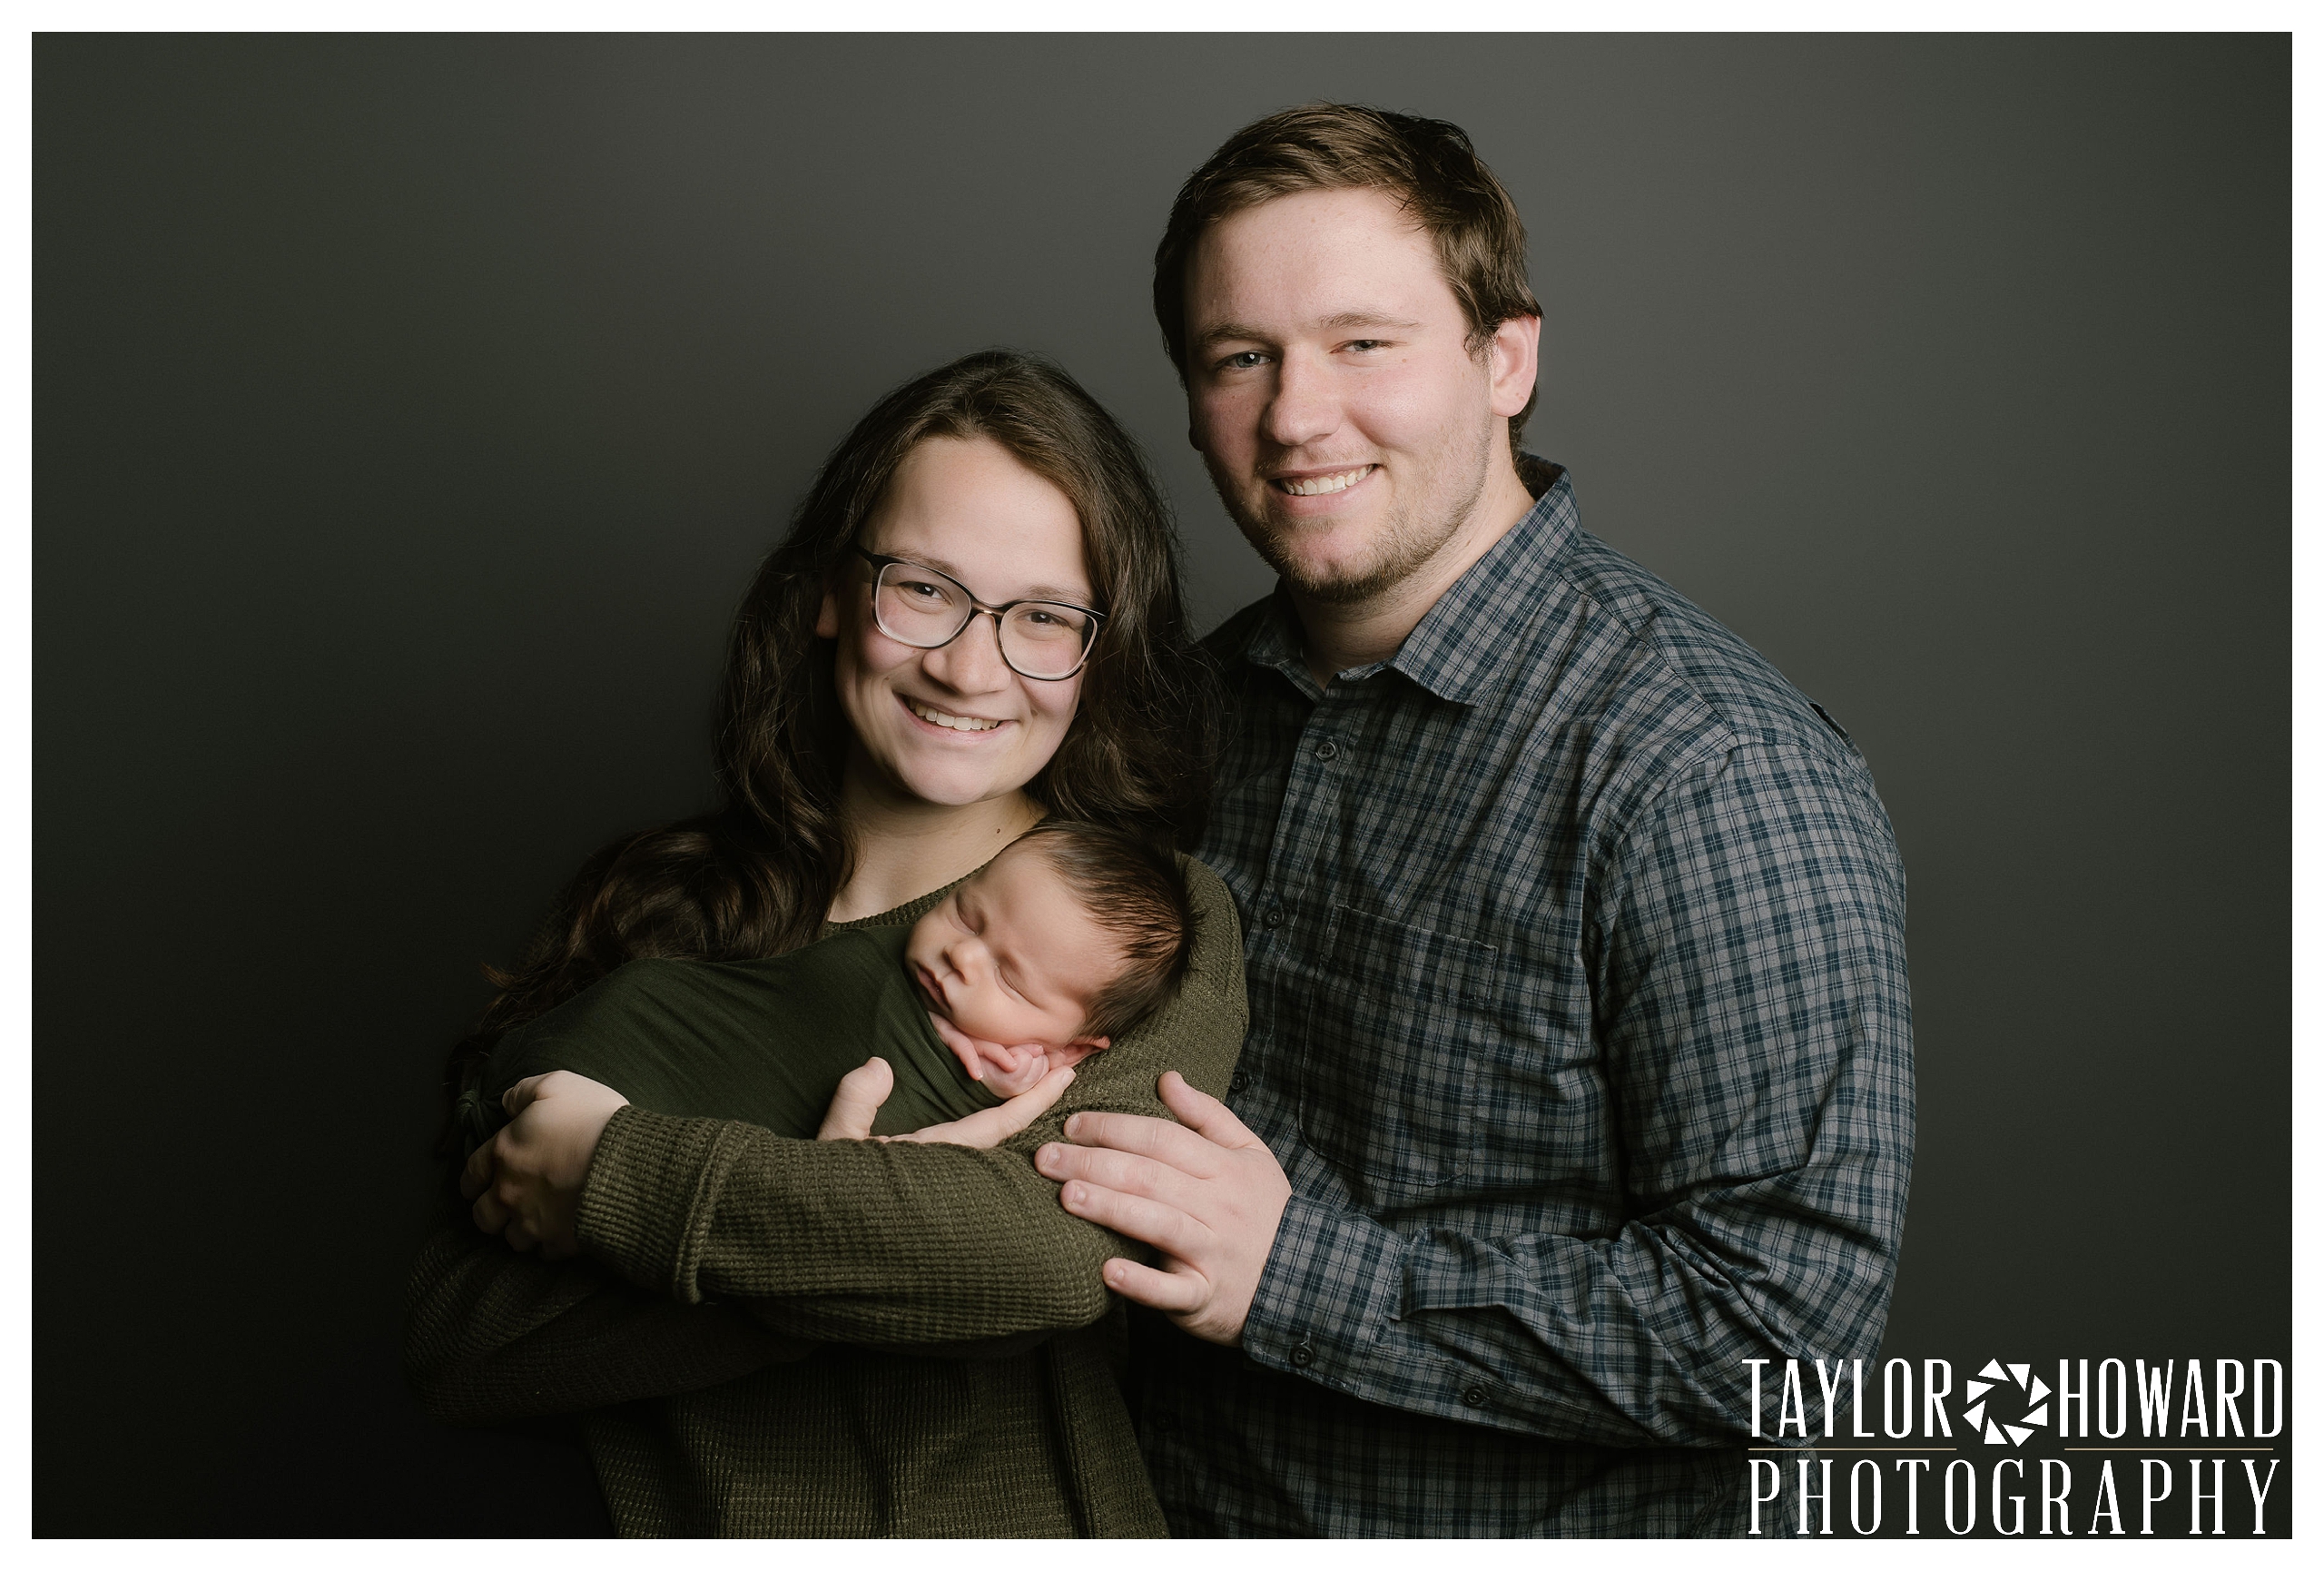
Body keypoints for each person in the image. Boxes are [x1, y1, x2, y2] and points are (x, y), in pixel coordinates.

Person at [1037, 104, 1915, 1536]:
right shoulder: (1184, 714)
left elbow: (1780, 1332)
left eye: (1361, 343)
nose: (1296, 416)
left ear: (1507, 359)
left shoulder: (1706, 770)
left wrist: (1296, 1276)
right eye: (1240, 357)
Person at [408, 350, 1247, 1537]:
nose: (968, 666)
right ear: (828, 592)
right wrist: (857, 1239)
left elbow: (1046, 1261)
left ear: (1097, 652)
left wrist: (614, 1177)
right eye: (924, 588)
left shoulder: (1142, 929)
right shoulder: (650, 916)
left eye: (1043, 616)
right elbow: (462, 1343)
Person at [459, 820, 1197, 1147]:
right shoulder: (850, 956)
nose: (961, 958)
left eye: (1009, 977)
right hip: (587, 1059)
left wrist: (1002, 1086)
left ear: (1072, 1050)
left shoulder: (1058, 1065)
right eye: (965, 914)